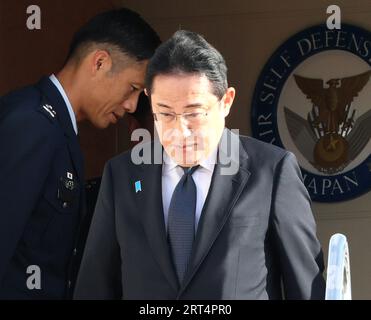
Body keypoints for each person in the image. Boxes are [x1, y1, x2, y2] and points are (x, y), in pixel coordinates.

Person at [74, 30, 326, 299]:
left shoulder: (272, 172)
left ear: (226, 102)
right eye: (165, 114)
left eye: (193, 113)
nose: (179, 131)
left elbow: (307, 288)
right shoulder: (121, 175)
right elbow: (94, 286)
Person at [0, 8, 160, 299]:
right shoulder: (32, 123)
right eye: (133, 88)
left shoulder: (59, 129)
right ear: (99, 62)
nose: (130, 106)